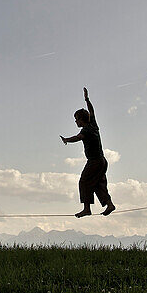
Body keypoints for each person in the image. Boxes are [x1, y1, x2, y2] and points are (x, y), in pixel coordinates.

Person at [60, 87, 115, 218]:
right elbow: (91, 111)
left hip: (94, 162)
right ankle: (109, 203)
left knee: (84, 182)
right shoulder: (94, 124)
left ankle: (86, 209)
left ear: (81, 120)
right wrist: (87, 99)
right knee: (98, 183)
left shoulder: (86, 130)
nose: (75, 121)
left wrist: (67, 139)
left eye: (76, 119)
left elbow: (77, 138)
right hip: (102, 161)